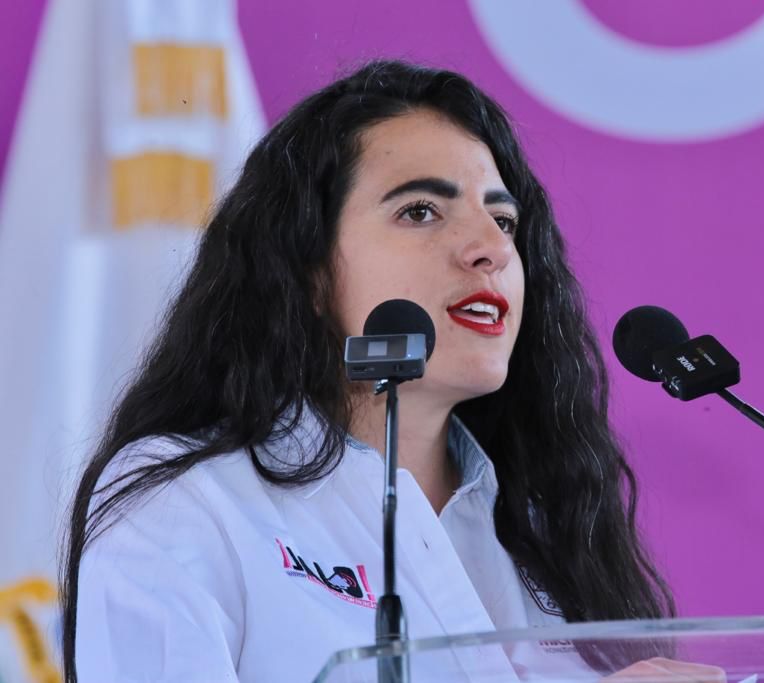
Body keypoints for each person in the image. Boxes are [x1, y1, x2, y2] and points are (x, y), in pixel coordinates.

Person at [60, 60, 684, 681]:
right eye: (421, 211)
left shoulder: (548, 533)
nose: (492, 249)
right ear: (306, 269)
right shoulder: (192, 502)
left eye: (503, 221)